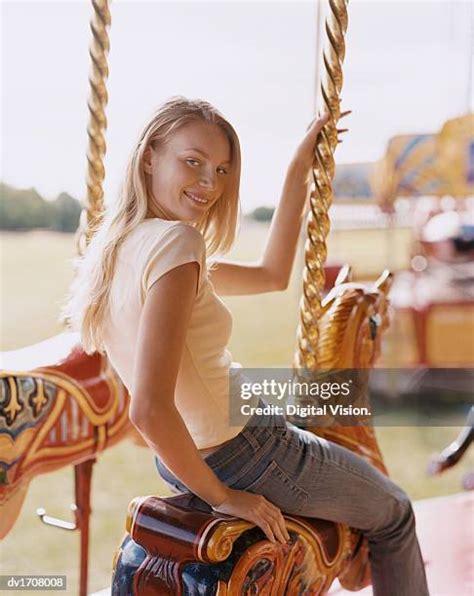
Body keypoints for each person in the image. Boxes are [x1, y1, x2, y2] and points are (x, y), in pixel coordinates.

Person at [62, 96, 429, 595]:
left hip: (182, 454)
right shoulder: (178, 246)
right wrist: (224, 496)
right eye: (192, 161)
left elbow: (272, 275)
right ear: (149, 155)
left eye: (221, 169)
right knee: (395, 511)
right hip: (245, 449)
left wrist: (301, 168)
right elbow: (149, 409)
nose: (209, 183)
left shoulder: (119, 249)